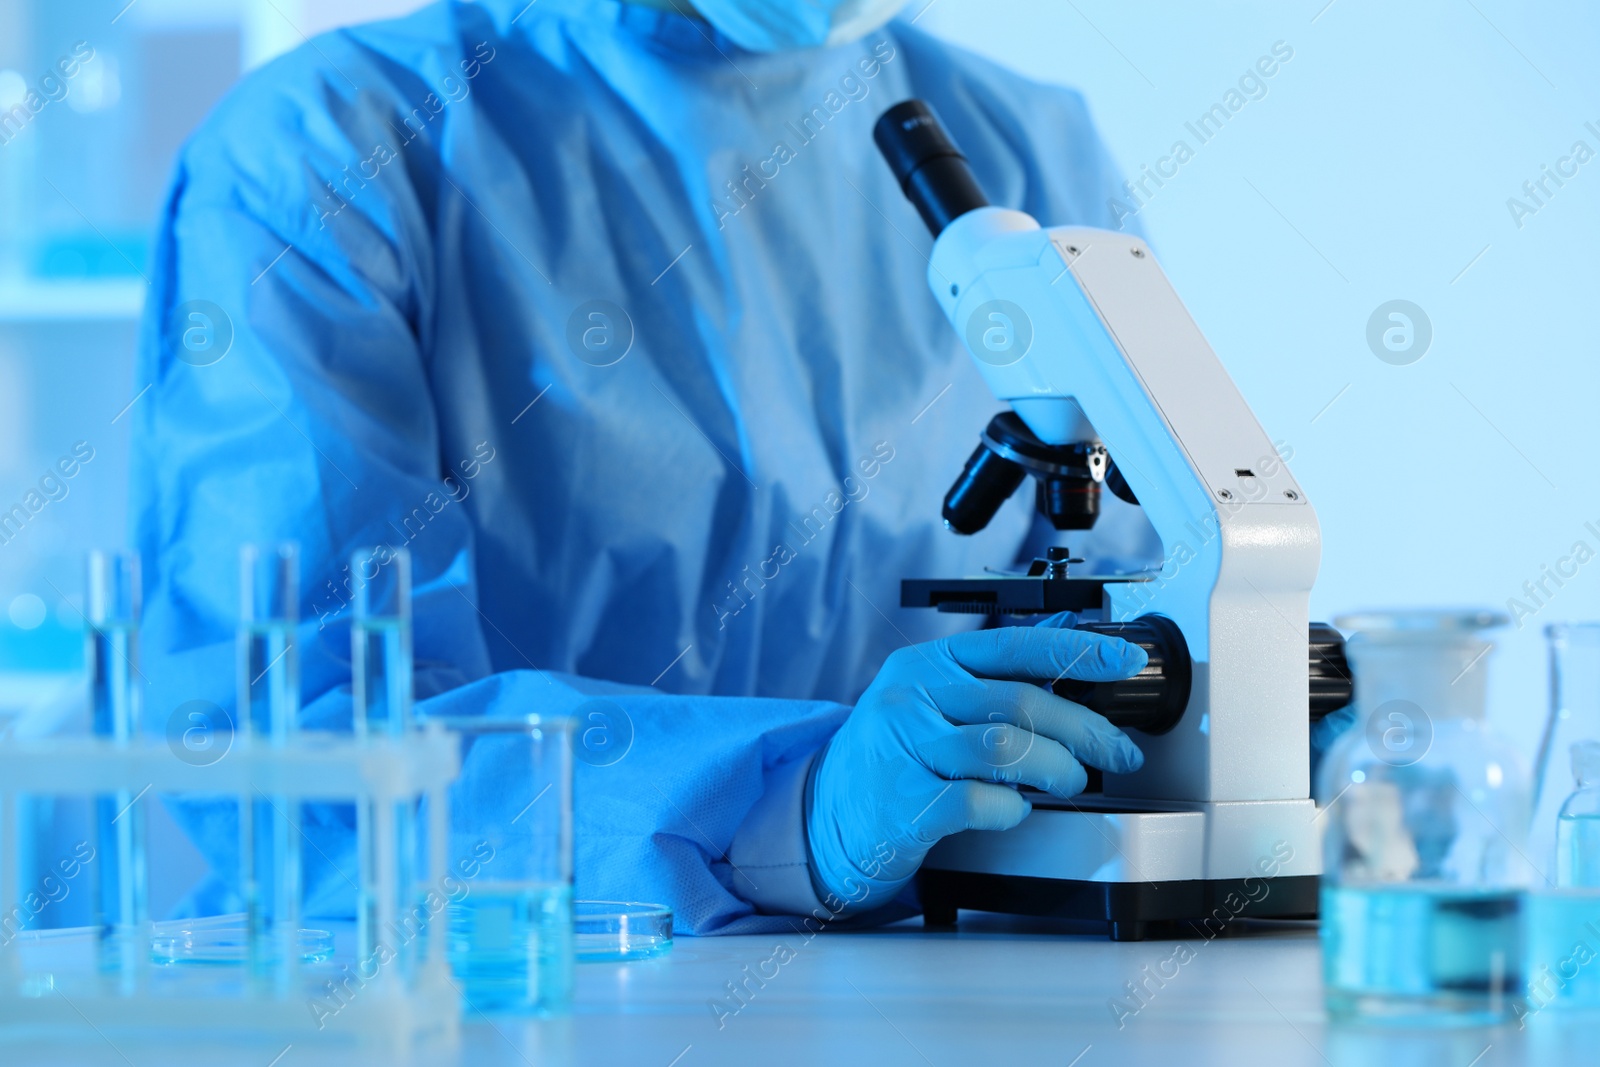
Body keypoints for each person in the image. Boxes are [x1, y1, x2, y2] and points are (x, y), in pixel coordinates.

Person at [133, 0, 1187, 935]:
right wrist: (785, 806)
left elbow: (1128, 598)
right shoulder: (333, 150)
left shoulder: (1026, 147)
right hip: (485, 985)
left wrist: (1239, 711)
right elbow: (302, 744)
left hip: (915, 988)